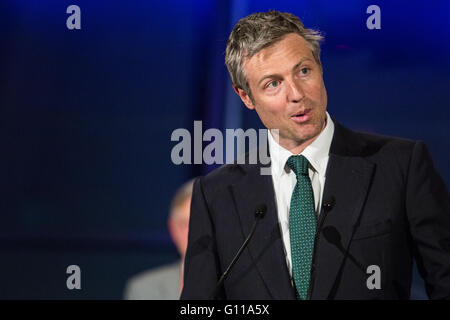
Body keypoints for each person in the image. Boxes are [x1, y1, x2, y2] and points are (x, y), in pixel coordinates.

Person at [180, 10, 450, 300]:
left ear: (320, 67)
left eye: (303, 71)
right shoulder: (217, 195)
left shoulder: (401, 165)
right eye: (273, 83)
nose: (296, 93)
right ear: (245, 96)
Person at [124, 179, 194, 300]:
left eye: (205, 223)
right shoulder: (144, 291)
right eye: (186, 224)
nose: (195, 232)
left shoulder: (237, 289)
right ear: (173, 228)